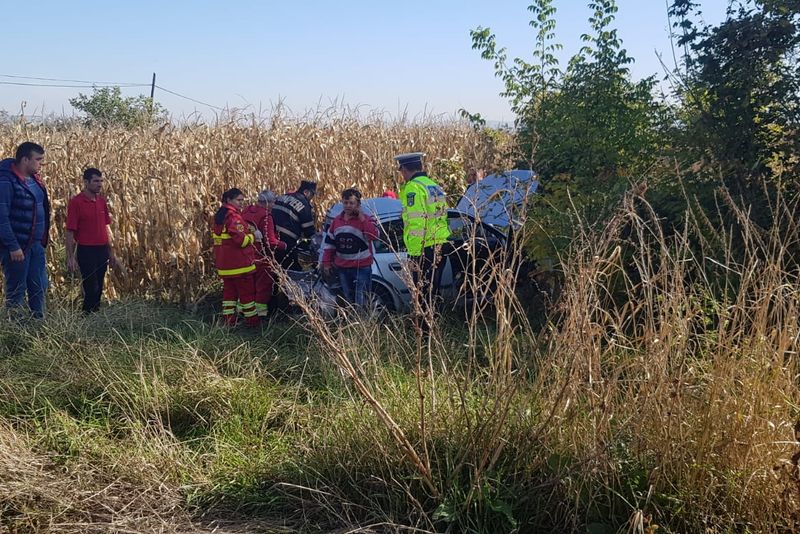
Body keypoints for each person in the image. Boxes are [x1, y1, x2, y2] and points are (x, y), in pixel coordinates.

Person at [395, 152, 450, 323]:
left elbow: (417, 223)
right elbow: (441, 215)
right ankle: (433, 325)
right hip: (440, 242)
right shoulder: (433, 186)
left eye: (401, 171)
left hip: (424, 247)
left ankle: (425, 330)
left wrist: (414, 254)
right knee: (433, 289)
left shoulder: (413, 187)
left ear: (404, 169)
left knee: (422, 292)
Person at [0, 142, 51, 319]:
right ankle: (15, 328)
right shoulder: (6, 181)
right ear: (25, 159)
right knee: (16, 291)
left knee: (39, 286)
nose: (41, 163)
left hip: (36, 245)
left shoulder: (35, 180)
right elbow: (2, 217)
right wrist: (13, 246)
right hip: (18, 248)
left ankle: (38, 324)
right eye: (38, 159)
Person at [65, 168, 121, 313]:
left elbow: (105, 229)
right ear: (86, 182)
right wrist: (70, 257)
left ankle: (94, 315)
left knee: (99, 286)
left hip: (102, 250)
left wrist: (111, 252)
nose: (100, 184)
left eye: (101, 181)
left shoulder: (101, 202)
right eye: (96, 181)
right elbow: (70, 231)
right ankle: (87, 316)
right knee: (91, 287)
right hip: (86, 250)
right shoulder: (76, 202)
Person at [321, 188, 378, 308]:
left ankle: (363, 319)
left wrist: (361, 218)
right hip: (343, 267)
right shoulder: (336, 221)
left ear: (358, 204)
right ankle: (352, 318)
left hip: (362, 267)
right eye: (345, 203)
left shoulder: (367, 219)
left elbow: (373, 236)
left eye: (351, 203)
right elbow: (329, 245)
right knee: (348, 299)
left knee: (362, 299)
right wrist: (326, 263)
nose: (348, 206)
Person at [212, 188, 259, 327]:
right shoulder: (234, 218)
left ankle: (229, 322)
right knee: (247, 297)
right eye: (238, 200)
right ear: (229, 200)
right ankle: (253, 324)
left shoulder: (220, 217)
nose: (241, 203)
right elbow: (242, 241)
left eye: (242, 200)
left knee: (229, 297)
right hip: (240, 266)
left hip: (225, 267)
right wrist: (254, 236)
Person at [242, 189, 286, 317]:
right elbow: (270, 241)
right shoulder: (266, 216)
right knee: (263, 288)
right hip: (261, 258)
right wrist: (284, 245)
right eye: (273, 202)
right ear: (268, 203)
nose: (274, 205)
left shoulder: (246, 211)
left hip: (245, 256)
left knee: (248, 288)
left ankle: (244, 314)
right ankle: (260, 316)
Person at [272, 180, 316, 270]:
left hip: (272, 235)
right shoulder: (304, 204)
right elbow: (309, 231)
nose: (312, 197)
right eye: (312, 194)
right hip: (287, 240)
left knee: (274, 265)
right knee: (291, 267)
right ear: (306, 192)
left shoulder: (283, 197)